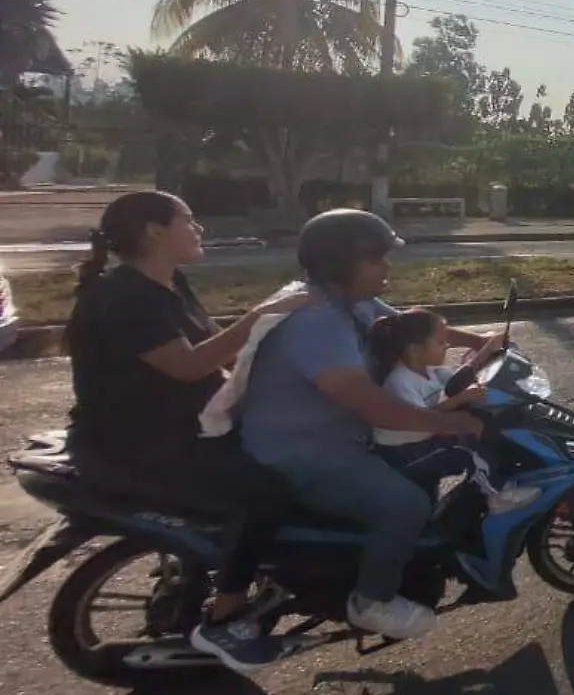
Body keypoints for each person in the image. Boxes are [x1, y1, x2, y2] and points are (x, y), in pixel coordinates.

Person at [63, 191, 313, 674]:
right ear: (155, 232)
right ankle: (227, 615)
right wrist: (261, 315)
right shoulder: (124, 296)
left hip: (182, 428)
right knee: (269, 490)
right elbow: (189, 366)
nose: (198, 229)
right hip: (139, 446)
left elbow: (213, 351)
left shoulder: (166, 283)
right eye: (189, 219)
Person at [236, 210, 488, 642]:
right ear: (344, 264)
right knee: (406, 504)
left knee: (418, 468)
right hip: (305, 452)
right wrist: (453, 422)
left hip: (332, 436)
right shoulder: (318, 320)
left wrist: (482, 344)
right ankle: (372, 600)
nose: (386, 267)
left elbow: (413, 328)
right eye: (376, 259)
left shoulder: (350, 301)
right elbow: (376, 408)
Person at [368, 309, 502, 501]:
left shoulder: (432, 371)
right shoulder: (400, 381)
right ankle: (496, 497)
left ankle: (476, 495)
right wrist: (459, 399)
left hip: (422, 441)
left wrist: (487, 350)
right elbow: (421, 419)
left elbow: (460, 379)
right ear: (415, 350)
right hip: (403, 452)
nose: (447, 346)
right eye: (440, 343)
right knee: (471, 448)